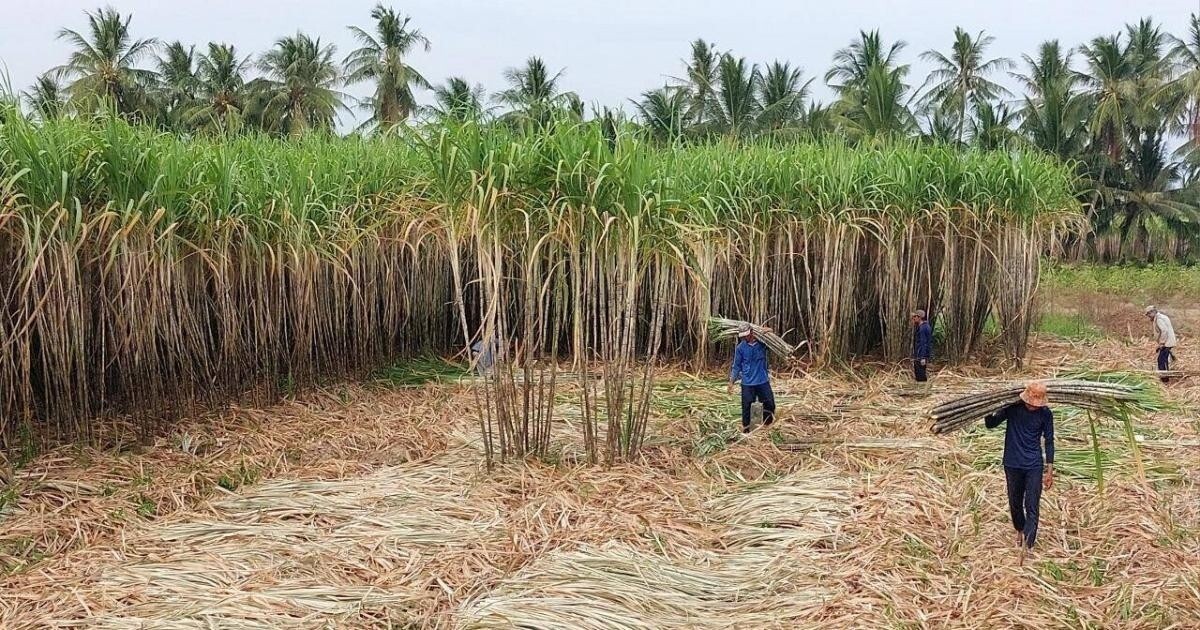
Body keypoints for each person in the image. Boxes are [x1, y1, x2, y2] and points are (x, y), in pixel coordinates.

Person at [985, 381, 1055, 555]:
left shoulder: (1045, 414)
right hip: (1012, 463)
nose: (1033, 406)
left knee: (1032, 504)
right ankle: (1020, 529)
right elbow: (991, 424)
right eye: (1031, 402)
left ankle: (1028, 544)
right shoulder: (1012, 408)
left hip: (1033, 465)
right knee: (1015, 503)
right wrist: (987, 407)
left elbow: (1049, 441)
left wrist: (1049, 470)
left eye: (1037, 403)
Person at [727, 323, 776, 434]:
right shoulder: (740, 348)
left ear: (752, 332)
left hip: (762, 380)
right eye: (743, 336)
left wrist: (769, 331)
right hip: (747, 382)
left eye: (747, 335)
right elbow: (736, 366)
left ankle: (767, 425)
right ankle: (746, 430)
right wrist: (731, 382)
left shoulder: (762, 343)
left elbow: (773, 340)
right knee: (746, 407)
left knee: (769, 404)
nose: (745, 338)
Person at [1145, 306, 1176, 383]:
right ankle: (1165, 377)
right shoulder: (1161, 317)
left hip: (1166, 343)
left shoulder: (1159, 319)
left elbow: (1164, 331)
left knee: (1161, 360)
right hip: (1167, 342)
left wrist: (1162, 343)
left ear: (1153, 312)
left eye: (1148, 314)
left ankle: (1165, 379)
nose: (1148, 316)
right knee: (1163, 359)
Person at [911, 309, 933, 383]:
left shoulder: (922, 328)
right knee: (920, 373)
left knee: (920, 375)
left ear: (919, 317)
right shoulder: (925, 326)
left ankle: (922, 387)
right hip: (920, 354)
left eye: (915, 317)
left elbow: (923, 343)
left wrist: (922, 357)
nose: (913, 318)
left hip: (920, 355)